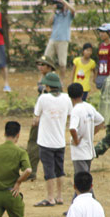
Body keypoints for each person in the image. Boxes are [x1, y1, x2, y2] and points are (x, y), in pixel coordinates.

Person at [33, 72, 71, 207]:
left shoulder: (43, 98)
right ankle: (59, 197)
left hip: (45, 141)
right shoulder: (66, 98)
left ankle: (50, 198)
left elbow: (36, 119)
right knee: (60, 169)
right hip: (60, 141)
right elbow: (69, 115)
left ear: (48, 86)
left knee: (48, 170)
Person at [67, 82, 105, 177]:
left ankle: (89, 193)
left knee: (82, 180)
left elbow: (72, 128)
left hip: (79, 151)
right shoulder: (88, 107)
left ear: (69, 96)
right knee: (85, 176)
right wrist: (91, 133)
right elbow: (101, 121)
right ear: (82, 94)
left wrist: (76, 140)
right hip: (89, 149)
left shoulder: (75, 110)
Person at [45, 0, 75, 71]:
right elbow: (49, 22)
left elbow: (73, 10)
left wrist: (64, 2)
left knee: (62, 63)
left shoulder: (68, 14)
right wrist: (53, 11)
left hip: (63, 40)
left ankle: (61, 81)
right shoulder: (56, 14)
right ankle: (44, 78)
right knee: (46, 60)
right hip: (53, 38)